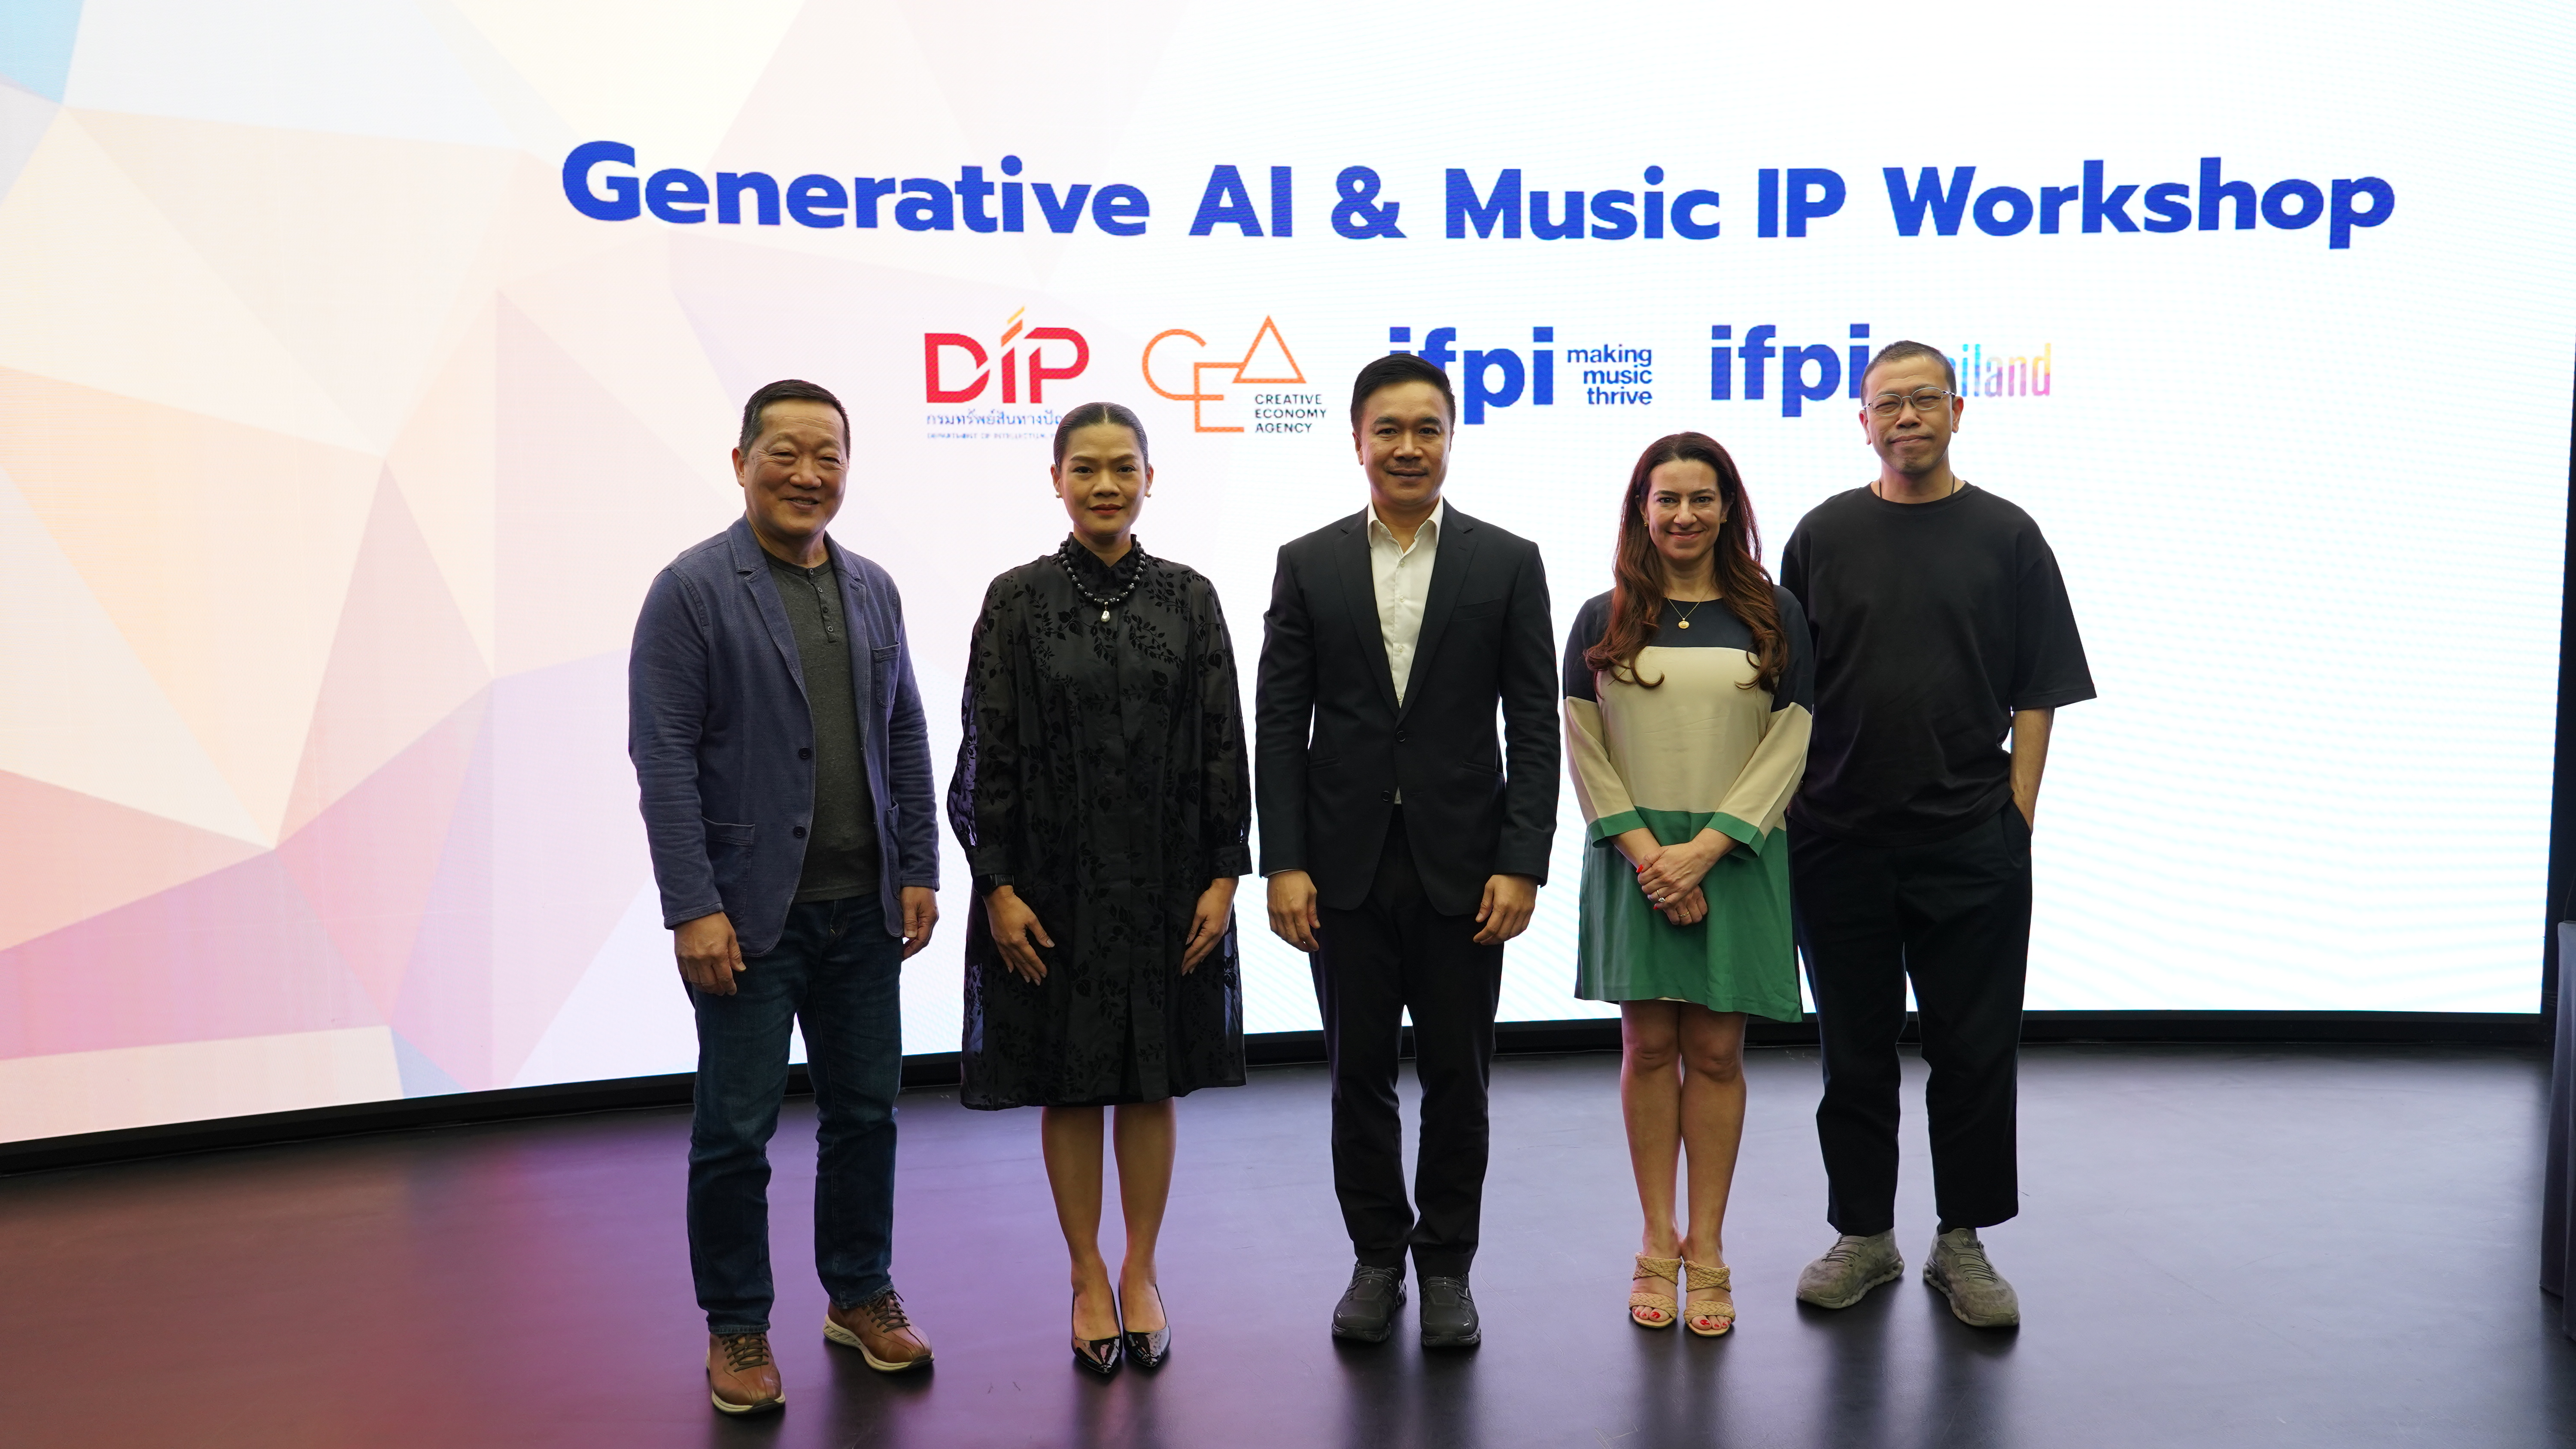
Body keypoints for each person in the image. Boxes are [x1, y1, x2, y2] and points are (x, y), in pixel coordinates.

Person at [628, 379, 942, 1414]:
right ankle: (736, 1322)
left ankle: (858, 1291)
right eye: (786, 454)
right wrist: (692, 905)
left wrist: (918, 866)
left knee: (866, 1115)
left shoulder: (873, 587)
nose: (809, 474)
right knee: (735, 1132)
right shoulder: (691, 589)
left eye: (828, 456)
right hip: (748, 919)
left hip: (864, 912)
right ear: (741, 463)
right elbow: (663, 756)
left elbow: (904, 731)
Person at [1780, 340, 2094, 1329]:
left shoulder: (2008, 535)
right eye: (1888, 403)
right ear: (1862, 422)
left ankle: (1962, 1240)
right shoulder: (1821, 535)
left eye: (1924, 399)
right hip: (1836, 838)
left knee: (1974, 1050)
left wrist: (2018, 815)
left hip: (1971, 840)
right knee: (1852, 1054)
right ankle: (1864, 1235)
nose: (1907, 416)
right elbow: (1786, 691)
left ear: (1959, 411)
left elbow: (2041, 686)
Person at [1255, 353, 1559, 1350]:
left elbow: (1535, 724)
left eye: (1427, 428)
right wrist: (1283, 859)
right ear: (1357, 440)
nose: (1408, 446)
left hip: (1466, 867)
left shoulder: (1506, 560)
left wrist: (1522, 859)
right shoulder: (1308, 561)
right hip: (1341, 866)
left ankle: (1448, 1265)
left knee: (1460, 1078)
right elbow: (1280, 722)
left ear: (1451, 438)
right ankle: (1378, 1257)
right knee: (1358, 1075)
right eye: (1388, 429)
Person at [948, 401, 1251, 1379]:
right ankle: (1085, 1274)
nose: (1106, 485)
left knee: (1150, 1079)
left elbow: (1223, 742)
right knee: (1071, 1083)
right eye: (1086, 468)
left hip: (1169, 883)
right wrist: (996, 886)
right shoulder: (1016, 599)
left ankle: (1142, 1268)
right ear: (1056, 479)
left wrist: (1224, 875)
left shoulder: (1191, 596)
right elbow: (987, 750)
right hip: (1050, 889)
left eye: (1125, 467)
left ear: (1151, 479)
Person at [1563, 432, 1813, 1338]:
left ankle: (1707, 1247)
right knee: (1647, 1050)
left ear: (1728, 507)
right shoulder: (1602, 618)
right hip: (1634, 858)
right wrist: (1651, 860)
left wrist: (1705, 851)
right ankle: (1654, 1239)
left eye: (1702, 498)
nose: (1684, 515)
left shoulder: (1774, 614)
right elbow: (1584, 748)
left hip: (1737, 854)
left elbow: (1791, 738)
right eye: (1666, 498)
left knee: (1714, 1054)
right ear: (1641, 509)